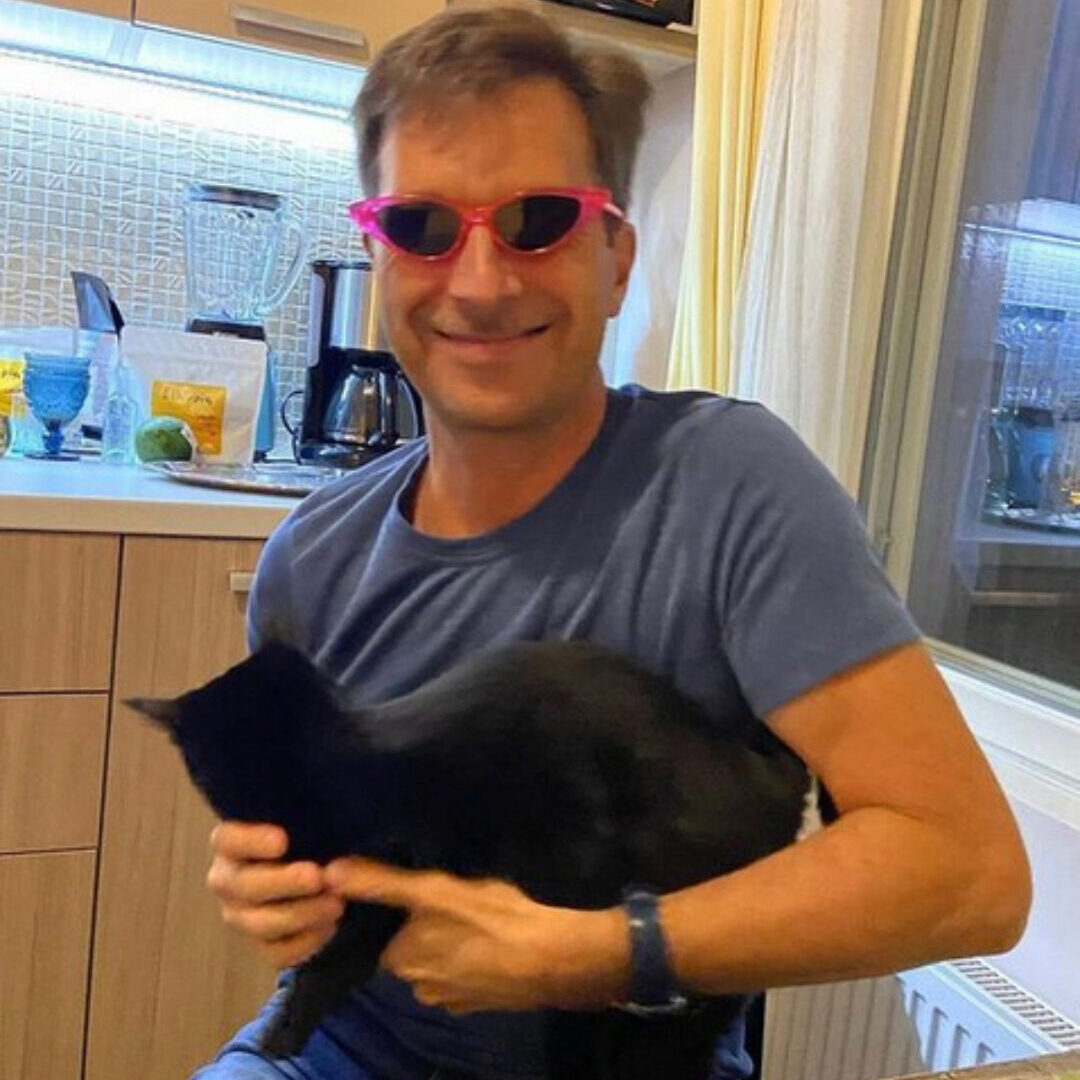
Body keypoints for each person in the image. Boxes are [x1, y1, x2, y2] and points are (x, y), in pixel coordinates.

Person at [197, 7, 1032, 1079]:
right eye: (422, 226)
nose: (481, 281)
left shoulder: (731, 486)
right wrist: (272, 885)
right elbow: (326, 863)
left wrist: (593, 955)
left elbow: (969, 872)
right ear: (377, 259)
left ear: (616, 258)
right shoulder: (309, 557)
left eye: (539, 220)